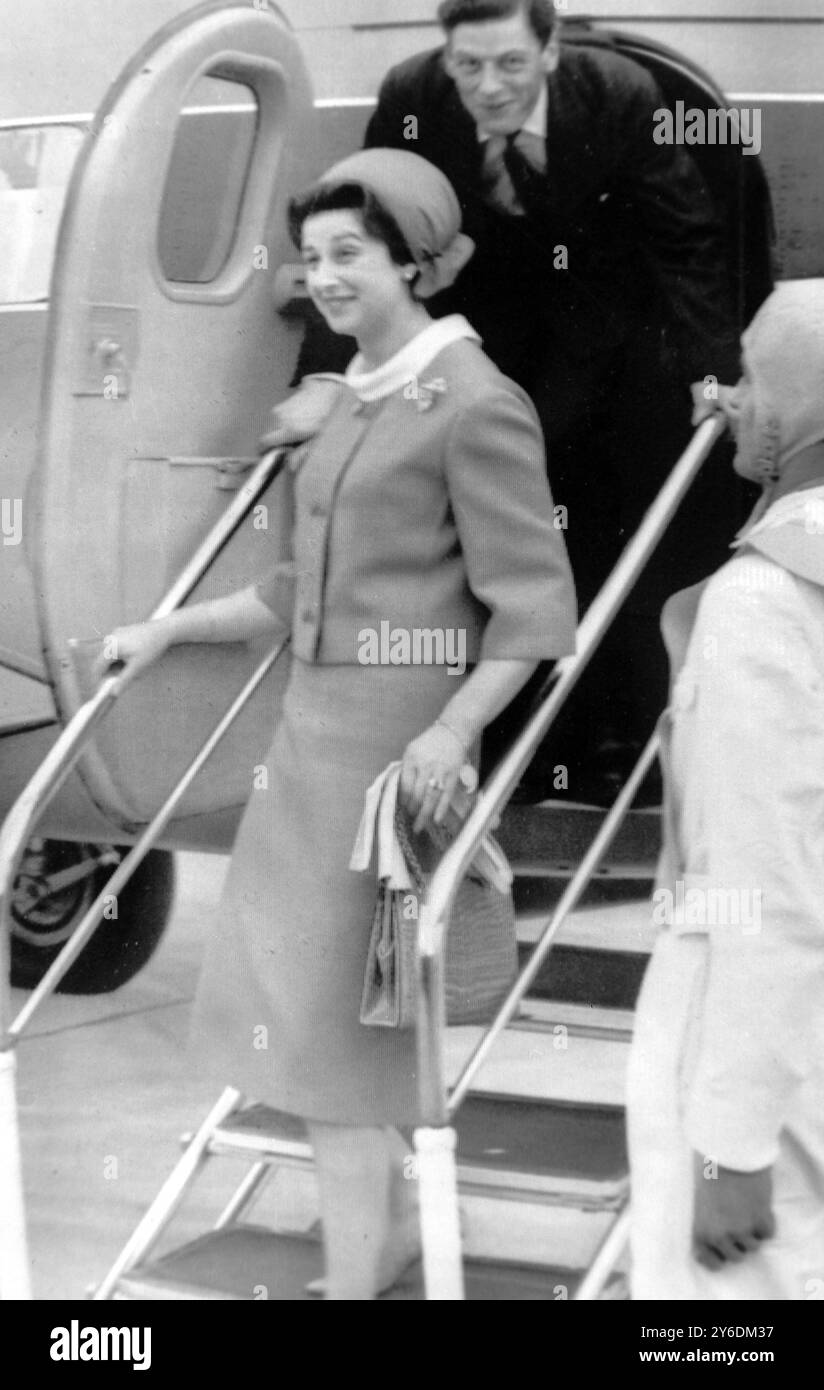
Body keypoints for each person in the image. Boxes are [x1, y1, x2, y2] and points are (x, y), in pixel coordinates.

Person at [98, 149, 576, 1300]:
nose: (322, 276)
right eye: (310, 258)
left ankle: (360, 1281)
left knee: (340, 1052)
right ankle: (390, 1247)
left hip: (390, 756)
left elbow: (533, 613)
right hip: (311, 744)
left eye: (348, 254)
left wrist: (451, 736)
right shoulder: (356, 393)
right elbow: (291, 595)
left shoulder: (472, 401)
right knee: (317, 1037)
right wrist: (168, 630)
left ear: (414, 259)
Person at [271, 0, 744, 801]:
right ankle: (504, 749)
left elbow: (686, 238)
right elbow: (353, 236)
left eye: (512, 65)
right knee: (482, 532)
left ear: (553, 51)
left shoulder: (621, 93)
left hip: (611, 328)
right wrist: (325, 379)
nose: (489, 88)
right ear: (445, 58)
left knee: (603, 529)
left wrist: (708, 372)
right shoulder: (413, 95)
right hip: (486, 324)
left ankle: (612, 747)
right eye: (469, 66)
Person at [627, 280, 824, 1300]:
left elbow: (766, 886)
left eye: (749, 376)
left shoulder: (761, 602)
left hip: (748, 1041)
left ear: (797, 406)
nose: (725, 398)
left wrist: (728, 1144)